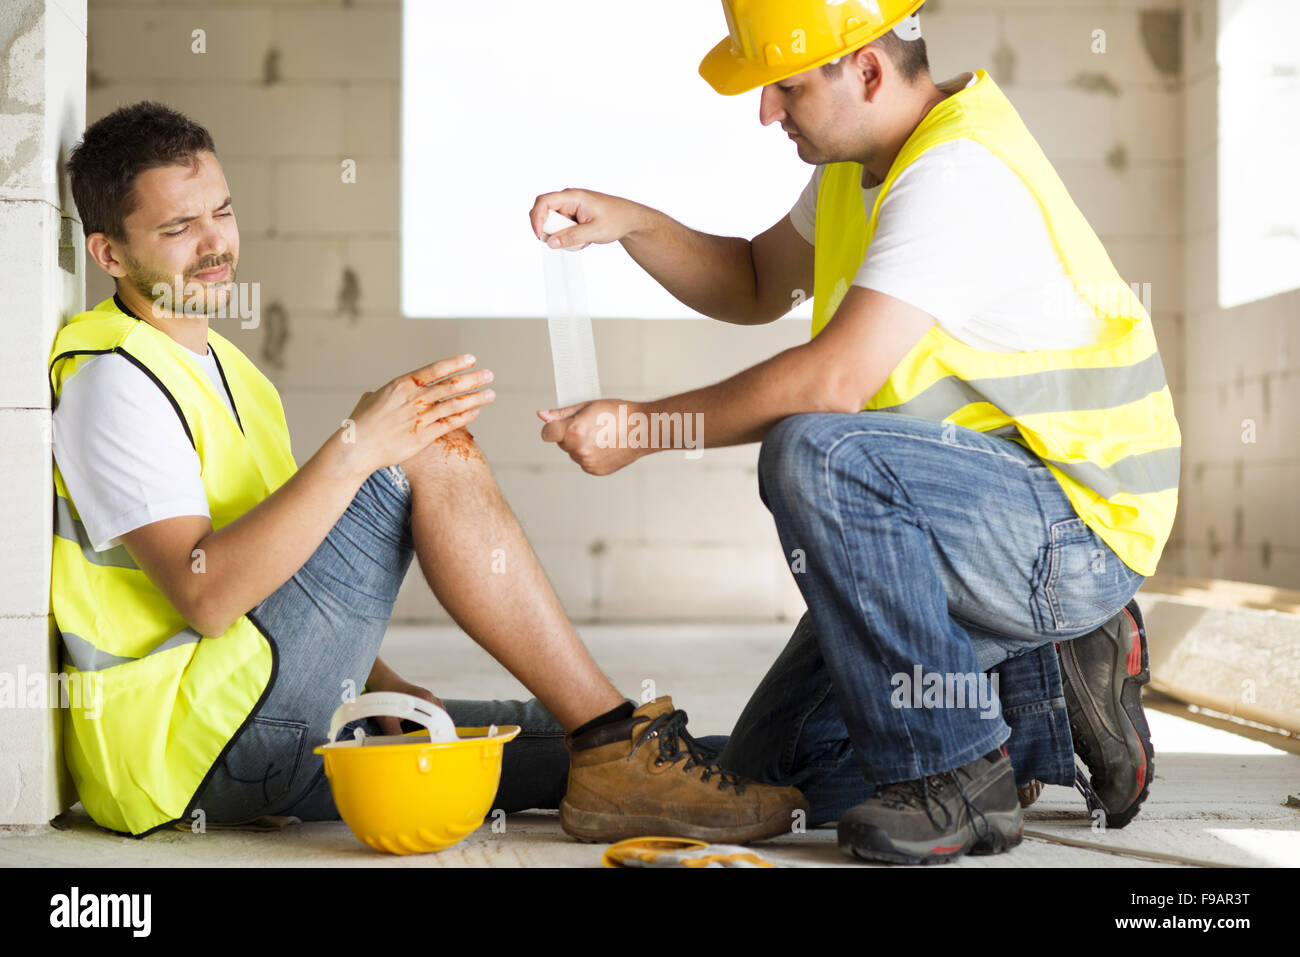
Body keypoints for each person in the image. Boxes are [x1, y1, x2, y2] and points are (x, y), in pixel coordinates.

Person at [52, 101, 807, 843]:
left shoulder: (232, 373)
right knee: (417, 439)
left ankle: (725, 772)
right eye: (179, 228)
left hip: (262, 714)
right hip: (191, 748)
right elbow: (208, 594)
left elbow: (286, 571)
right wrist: (360, 444)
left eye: (220, 210)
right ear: (109, 255)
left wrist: (382, 683)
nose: (214, 243)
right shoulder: (112, 379)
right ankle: (621, 744)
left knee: (560, 736)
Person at [530, 0, 1178, 863]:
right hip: (976, 522)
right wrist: (634, 223)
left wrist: (644, 428)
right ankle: (1040, 702)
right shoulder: (861, 162)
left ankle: (957, 776)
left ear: (867, 70)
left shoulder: (956, 172)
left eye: (784, 87)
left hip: (1074, 527)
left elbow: (833, 383)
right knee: (775, 769)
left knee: (813, 451)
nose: (766, 110)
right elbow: (759, 279)